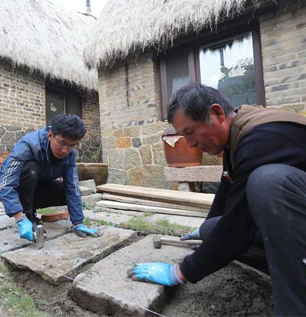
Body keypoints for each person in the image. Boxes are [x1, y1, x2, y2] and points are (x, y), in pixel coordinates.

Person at [127, 84, 306, 315]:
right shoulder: (234, 138)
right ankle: (289, 269)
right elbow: (227, 190)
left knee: (267, 182)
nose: (189, 144)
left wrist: (181, 271)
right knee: (212, 229)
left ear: (217, 113)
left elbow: (238, 225)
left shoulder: (261, 137)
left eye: (190, 132)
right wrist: (203, 232)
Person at [0, 113, 101, 242]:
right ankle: (28, 216)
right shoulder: (28, 145)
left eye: (71, 145)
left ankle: (31, 207)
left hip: (40, 187)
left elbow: (72, 187)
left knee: (69, 192)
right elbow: (5, 185)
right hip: (20, 187)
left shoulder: (70, 154)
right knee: (31, 168)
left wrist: (78, 222)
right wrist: (20, 218)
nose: (65, 150)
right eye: (62, 143)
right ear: (50, 135)